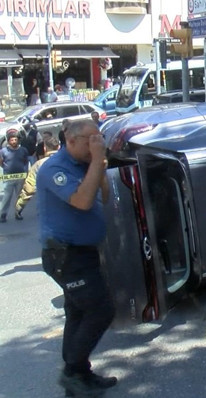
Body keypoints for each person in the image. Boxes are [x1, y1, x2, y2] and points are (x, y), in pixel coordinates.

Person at [37, 120, 117, 396]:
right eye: (90, 140)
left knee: (77, 313)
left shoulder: (86, 164)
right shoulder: (54, 169)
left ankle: (80, 373)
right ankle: (71, 372)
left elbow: (105, 197)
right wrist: (96, 162)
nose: (97, 145)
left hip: (83, 252)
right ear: (69, 141)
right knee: (101, 309)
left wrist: (99, 163)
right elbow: (82, 202)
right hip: (65, 255)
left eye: (100, 139)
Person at [15, 135, 60, 218]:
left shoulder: (39, 164)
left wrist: (19, 206)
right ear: (58, 147)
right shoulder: (69, 161)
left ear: (45, 149)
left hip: (47, 207)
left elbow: (30, 188)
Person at [0, 129, 30, 222]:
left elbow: (25, 161)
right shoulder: (3, 151)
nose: (14, 141)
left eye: (15, 140)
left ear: (18, 140)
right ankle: (3, 214)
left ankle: (18, 213)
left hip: (20, 176)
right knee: (6, 196)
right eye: (12, 140)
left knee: (19, 197)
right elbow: (1, 162)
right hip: (8, 177)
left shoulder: (23, 150)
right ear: (8, 141)